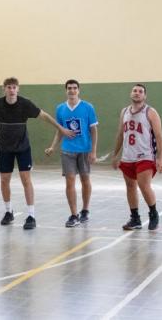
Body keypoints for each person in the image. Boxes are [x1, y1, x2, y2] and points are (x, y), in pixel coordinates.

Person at [0, 77, 75, 230]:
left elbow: (44, 116)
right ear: (4, 89)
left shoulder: (25, 104)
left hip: (22, 148)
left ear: (18, 89)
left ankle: (31, 215)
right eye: (9, 87)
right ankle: (8, 212)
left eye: (14, 87)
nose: (12, 90)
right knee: (4, 180)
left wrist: (61, 128)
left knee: (26, 179)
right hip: (5, 149)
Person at [111, 83, 162, 231]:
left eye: (140, 91)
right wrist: (115, 155)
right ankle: (135, 218)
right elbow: (120, 134)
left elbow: (159, 136)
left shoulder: (150, 112)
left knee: (144, 186)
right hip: (128, 156)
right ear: (131, 94)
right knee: (130, 186)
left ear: (145, 96)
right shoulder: (124, 112)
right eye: (134, 90)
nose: (137, 93)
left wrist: (160, 158)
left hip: (145, 155)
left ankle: (153, 214)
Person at [44, 79, 98, 227]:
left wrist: (93, 150)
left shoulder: (88, 107)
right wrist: (53, 147)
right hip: (67, 150)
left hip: (84, 150)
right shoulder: (60, 108)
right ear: (66, 90)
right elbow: (60, 130)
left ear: (78, 90)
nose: (72, 90)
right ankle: (74, 215)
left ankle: (85, 210)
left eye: (74, 88)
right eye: (69, 88)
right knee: (70, 181)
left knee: (85, 180)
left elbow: (93, 130)